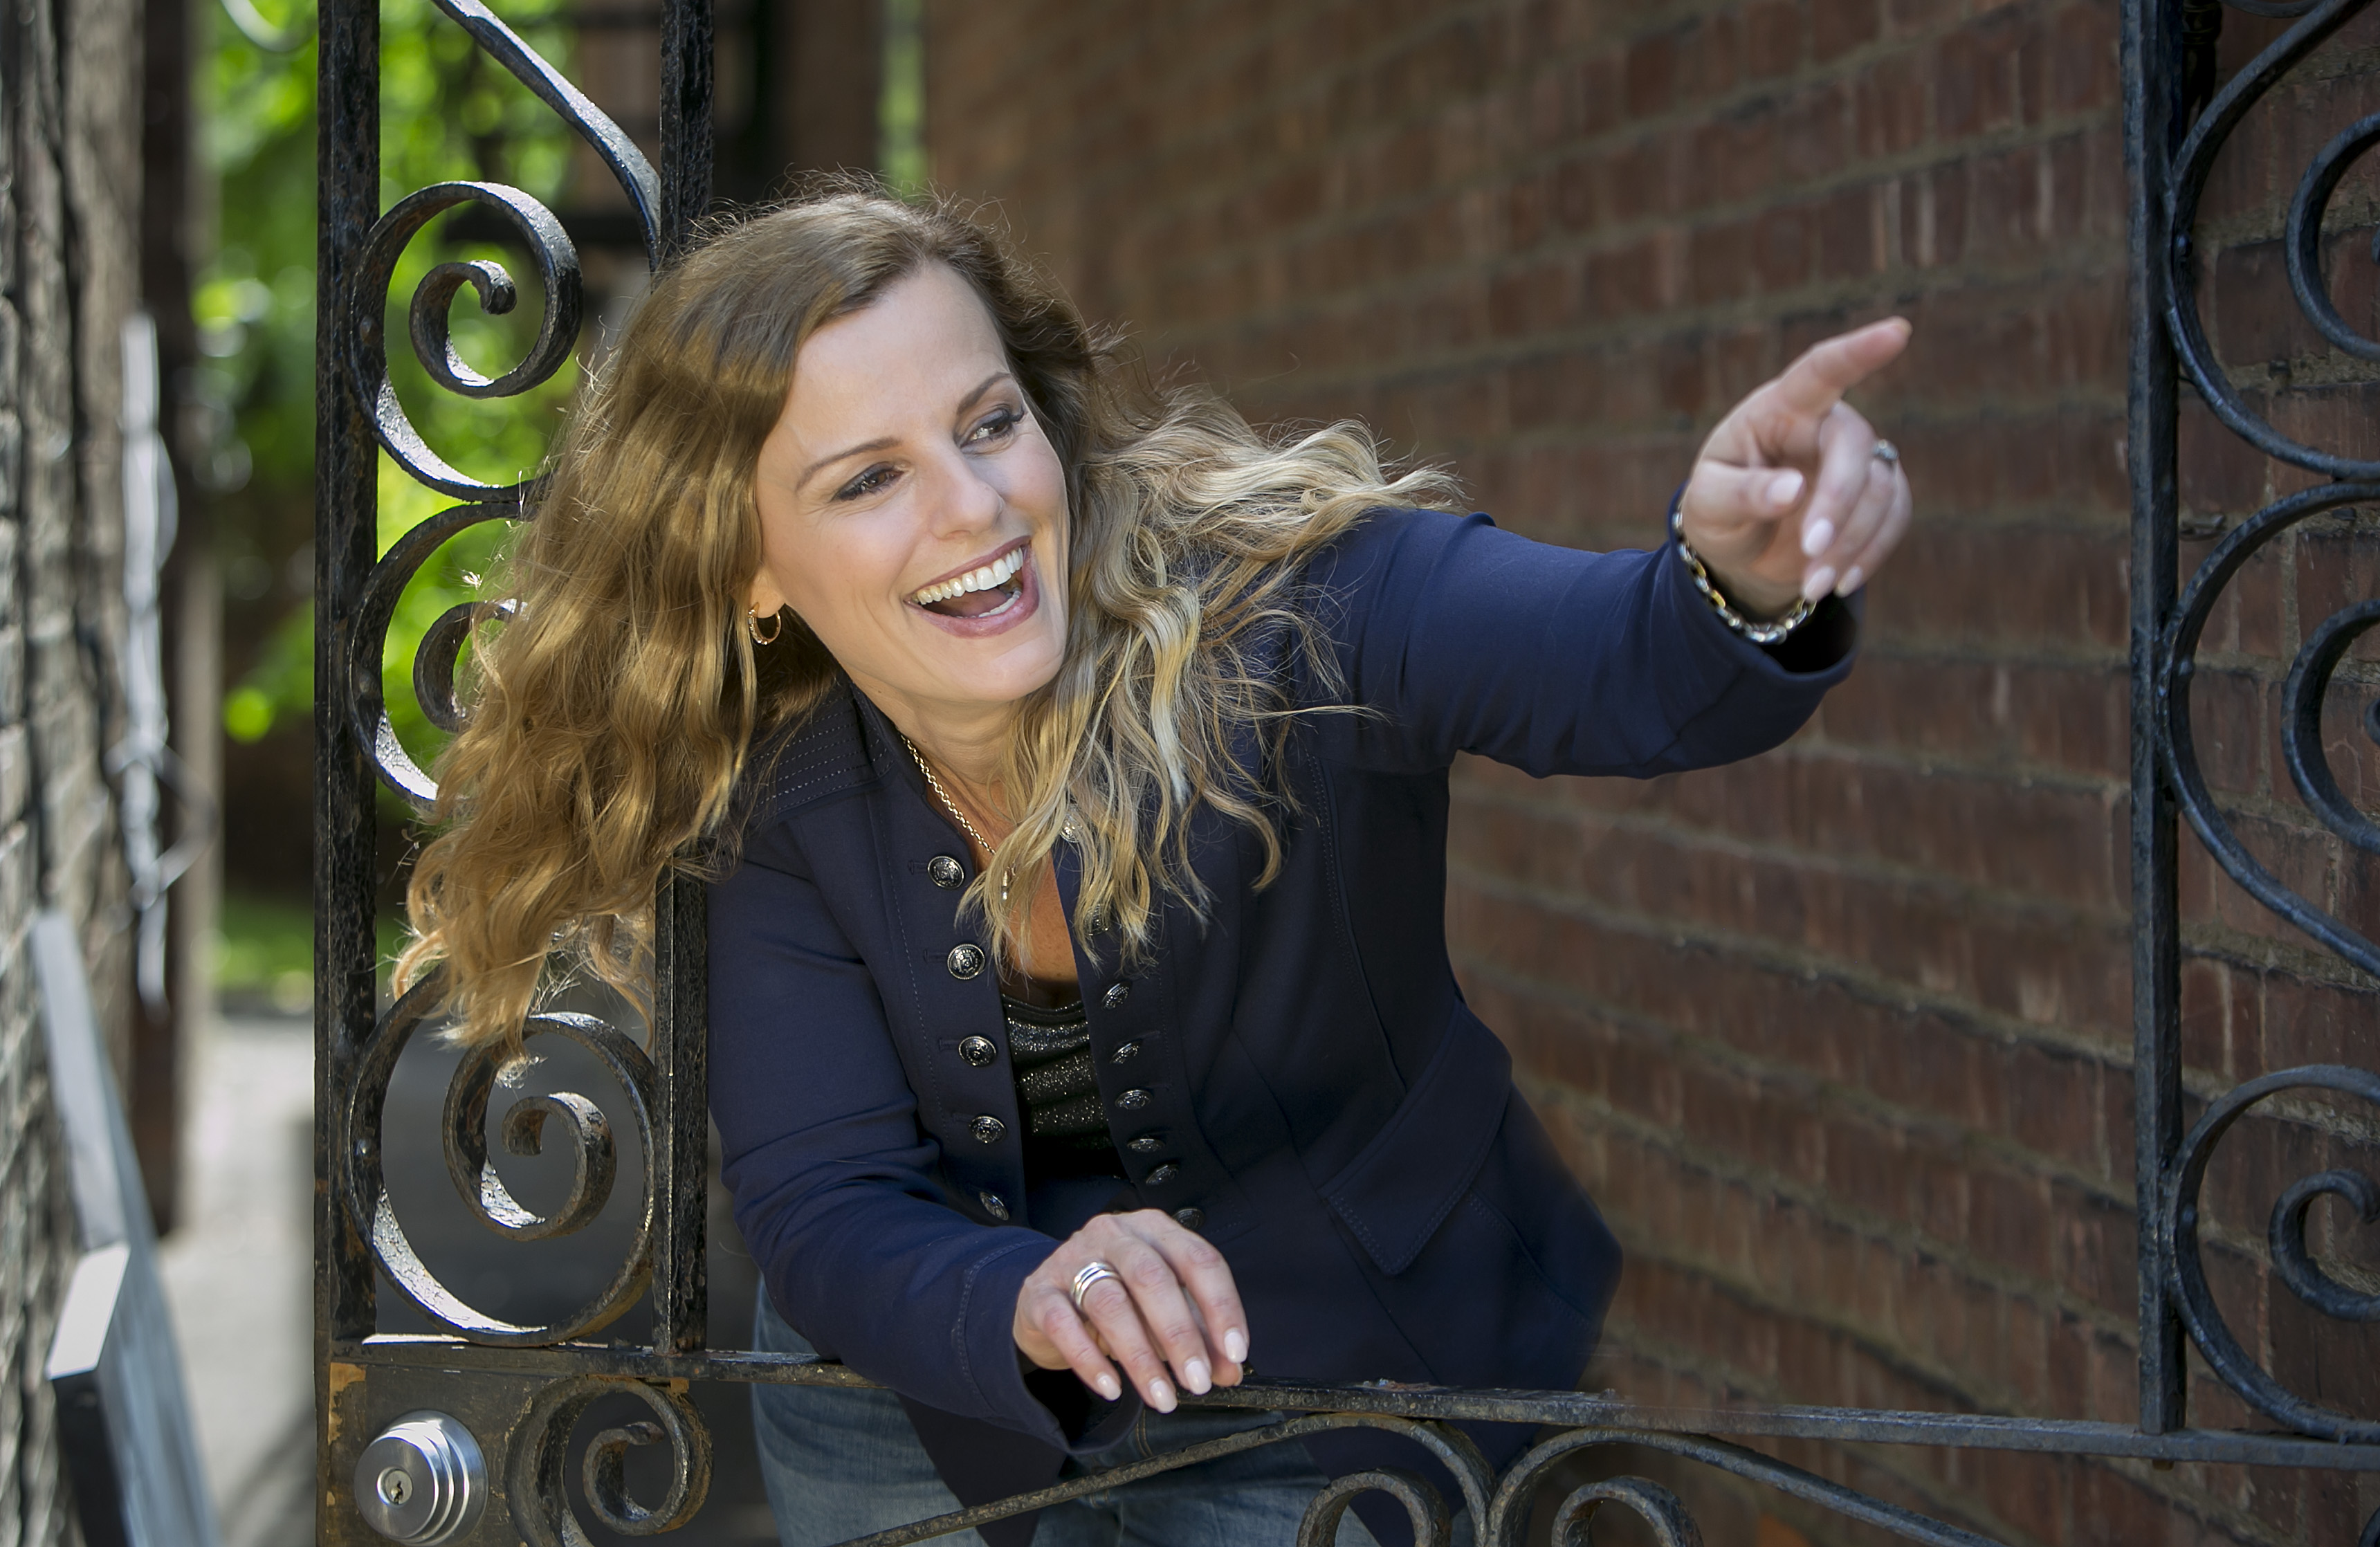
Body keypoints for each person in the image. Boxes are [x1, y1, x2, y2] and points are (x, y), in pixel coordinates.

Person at [398, 190, 1912, 1547]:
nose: (976, 507)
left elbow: (1623, 665)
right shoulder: (773, 787)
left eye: (987, 423)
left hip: (1343, 1379)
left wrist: (1738, 577)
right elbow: (826, 1196)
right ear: (748, 567)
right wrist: (1023, 1293)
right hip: (917, 1408)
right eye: (867, 481)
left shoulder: (1301, 607)